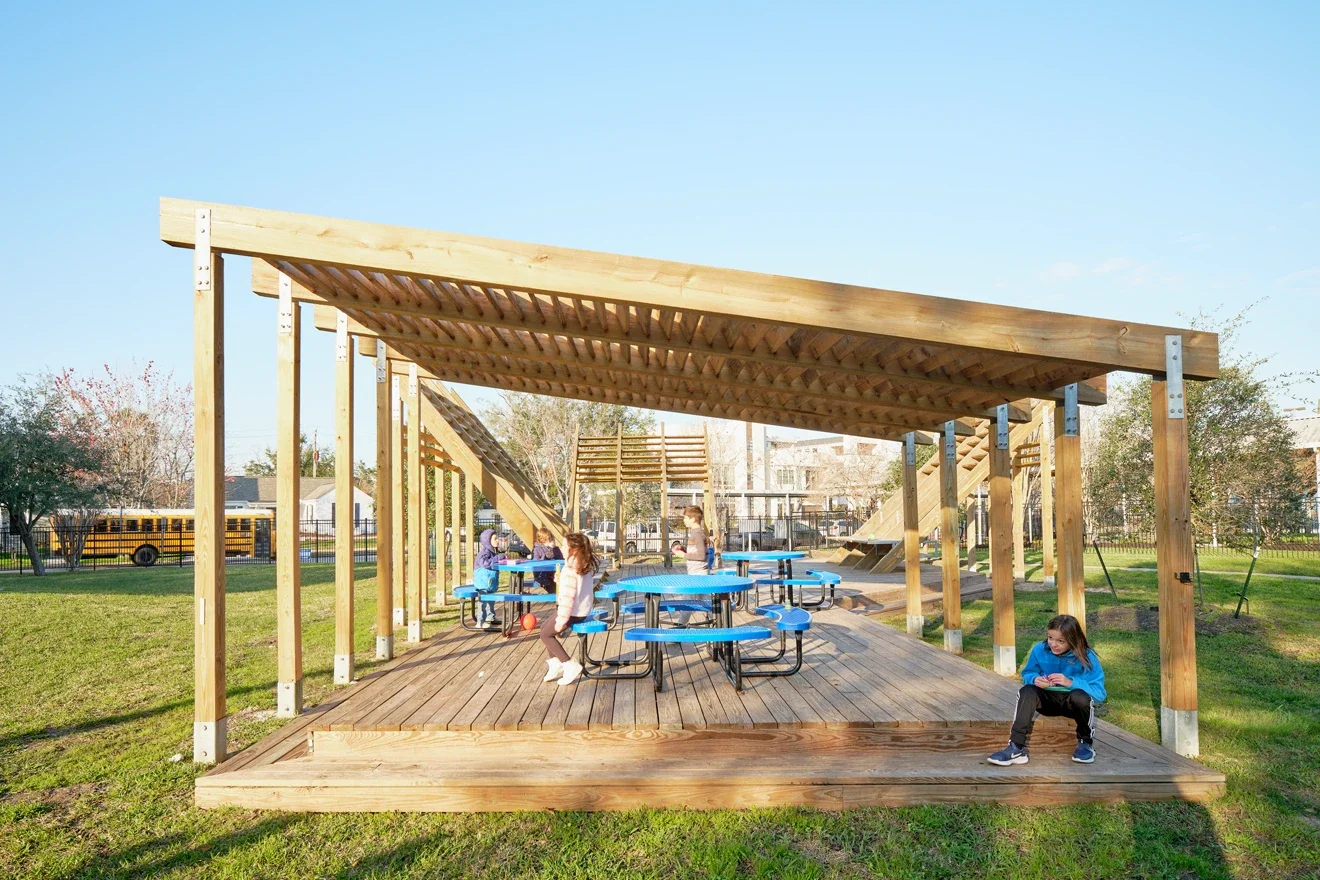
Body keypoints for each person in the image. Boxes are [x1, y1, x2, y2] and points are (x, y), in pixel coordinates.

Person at [988, 614, 1106, 766]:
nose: (1053, 644)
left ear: (1073, 640)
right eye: (1050, 637)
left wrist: (1071, 682)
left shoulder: (1086, 656)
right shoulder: (1039, 649)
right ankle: (1016, 747)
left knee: (1080, 696)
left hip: (1072, 705)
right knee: (1027, 691)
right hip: (1047, 702)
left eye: (1060, 641)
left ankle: (1085, 742)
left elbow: (1099, 694)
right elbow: (1028, 673)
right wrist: (1034, 679)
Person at [541, 532, 600, 686]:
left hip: (572, 612)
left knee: (546, 635)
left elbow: (567, 599)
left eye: (564, 545)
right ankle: (555, 664)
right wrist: (561, 580)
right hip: (581, 610)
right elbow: (578, 589)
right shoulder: (582, 565)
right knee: (544, 628)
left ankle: (568, 664)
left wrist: (561, 621)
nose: (561, 547)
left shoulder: (570, 570)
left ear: (572, 549)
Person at [675, 506, 710, 626]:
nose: (684, 520)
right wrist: (684, 550)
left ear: (693, 519)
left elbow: (701, 556)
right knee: (706, 603)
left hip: (697, 576)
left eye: (685, 517)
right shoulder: (697, 533)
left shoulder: (697, 534)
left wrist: (683, 555)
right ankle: (719, 626)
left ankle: (679, 629)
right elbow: (699, 551)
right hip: (697, 574)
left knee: (688, 604)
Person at [473, 528, 507, 630]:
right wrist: (498, 558)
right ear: (488, 541)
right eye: (495, 539)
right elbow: (485, 563)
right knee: (483, 601)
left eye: (497, 538)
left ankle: (490, 616)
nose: (497, 540)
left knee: (491, 599)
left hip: (489, 581)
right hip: (483, 582)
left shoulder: (492, 552)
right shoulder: (485, 552)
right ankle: (480, 621)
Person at [531, 527, 563, 594]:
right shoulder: (537, 549)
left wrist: (554, 549)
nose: (549, 540)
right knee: (554, 589)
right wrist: (546, 556)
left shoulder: (553, 548)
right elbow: (536, 561)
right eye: (546, 538)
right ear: (541, 539)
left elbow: (560, 558)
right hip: (543, 575)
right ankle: (556, 598)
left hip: (554, 573)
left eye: (550, 538)